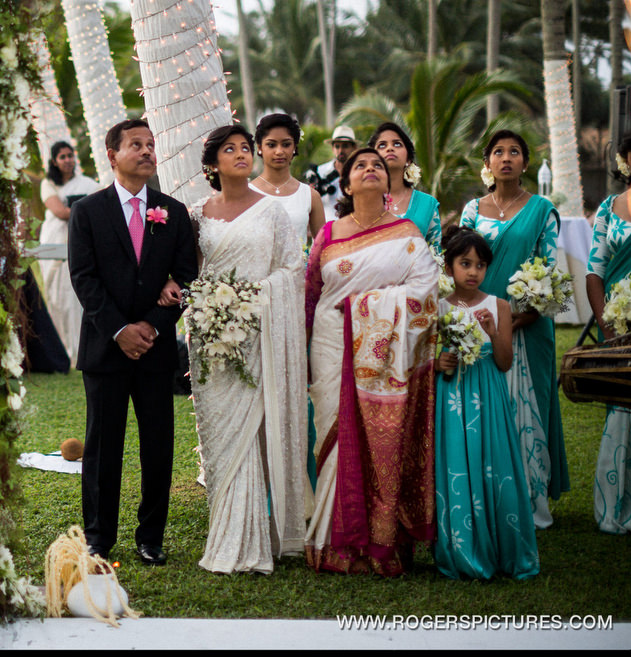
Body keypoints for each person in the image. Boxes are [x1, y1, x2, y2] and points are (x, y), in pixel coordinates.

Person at [304, 146, 440, 575]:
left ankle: (379, 543)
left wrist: (365, 309)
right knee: (334, 437)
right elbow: (310, 296)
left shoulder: (407, 234)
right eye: (360, 165)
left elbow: (426, 292)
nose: (369, 169)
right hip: (329, 345)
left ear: (388, 183)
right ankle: (332, 542)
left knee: (382, 440)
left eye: (377, 165)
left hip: (384, 359)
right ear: (345, 183)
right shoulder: (328, 234)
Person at [67, 119, 197, 565]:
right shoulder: (88, 212)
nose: (146, 151)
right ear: (112, 155)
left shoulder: (173, 212)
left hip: (156, 350)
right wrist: (121, 331)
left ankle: (151, 537)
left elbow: (185, 276)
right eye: (135, 145)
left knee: (158, 444)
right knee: (103, 445)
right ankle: (99, 537)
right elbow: (84, 279)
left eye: (150, 144)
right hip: (106, 349)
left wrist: (154, 326)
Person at [186, 125, 306, 574]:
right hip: (212, 339)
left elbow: (293, 270)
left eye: (243, 148)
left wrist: (253, 299)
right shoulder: (196, 213)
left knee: (256, 432)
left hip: (262, 334)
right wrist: (208, 312)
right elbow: (191, 275)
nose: (240, 155)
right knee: (221, 436)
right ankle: (228, 530)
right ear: (212, 164)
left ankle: (261, 537)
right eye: (228, 150)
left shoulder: (272, 213)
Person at [460, 129, 569, 529]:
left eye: (515, 152)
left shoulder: (542, 209)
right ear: (487, 163)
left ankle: (531, 500)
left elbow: (551, 269)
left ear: (525, 162)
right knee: (485, 407)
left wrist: (528, 312)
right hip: (481, 324)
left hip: (528, 325)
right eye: (498, 152)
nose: (506, 158)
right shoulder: (472, 209)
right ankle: (488, 496)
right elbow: (461, 260)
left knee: (530, 409)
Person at [433, 225, 540, 579]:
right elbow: (427, 358)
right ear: (450, 267)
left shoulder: (501, 306)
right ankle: (463, 547)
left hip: (489, 395)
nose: (473, 272)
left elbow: (505, 362)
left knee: (493, 463)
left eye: (480, 265)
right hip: (453, 398)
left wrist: (494, 333)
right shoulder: (437, 308)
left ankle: (505, 548)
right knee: (458, 464)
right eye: (465, 263)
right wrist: (439, 362)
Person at [585, 136, 631, 535]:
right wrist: (607, 324)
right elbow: (595, 271)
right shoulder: (609, 208)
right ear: (626, 161)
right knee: (622, 406)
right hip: (620, 326)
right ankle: (615, 506)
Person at [39, 141, 100, 363]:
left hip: (80, 242)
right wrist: (81, 211)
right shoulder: (48, 184)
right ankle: (62, 348)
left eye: (70, 156)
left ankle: (79, 347)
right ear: (55, 161)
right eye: (62, 157)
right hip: (54, 241)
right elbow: (59, 211)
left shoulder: (89, 184)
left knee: (75, 296)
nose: (68, 160)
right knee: (56, 296)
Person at [250, 112, 326, 246]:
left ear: (294, 147)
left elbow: (323, 248)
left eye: (286, 144)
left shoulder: (310, 196)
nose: (279, 151)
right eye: (271, 145)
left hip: (298, 266)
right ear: (260, 147)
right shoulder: (247, 193)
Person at [368, 121, 442, 253]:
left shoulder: (427, 204)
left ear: (408, 159)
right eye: (382, 145)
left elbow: (436, 256)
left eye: (397, 144)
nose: (390, 148)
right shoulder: (361, 201)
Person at [312, 125, 356, 217]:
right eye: (337, 146)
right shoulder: (320, 171)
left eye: (345, 146)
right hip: (327, 226)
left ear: (353, 148)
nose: (340, 150)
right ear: (332, 148)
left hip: (353, 226)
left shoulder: (360, 172)